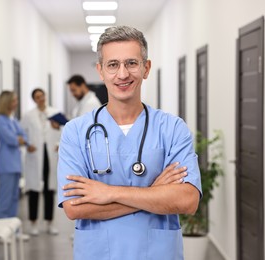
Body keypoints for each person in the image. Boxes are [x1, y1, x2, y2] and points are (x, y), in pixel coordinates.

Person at [57, 26, 202, 260]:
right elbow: (75, 207)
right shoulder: (76, 131)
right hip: (98, 253)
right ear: (100, 71)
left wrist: (108, 192)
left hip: (158, 253)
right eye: (113, 64)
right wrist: (154, 193)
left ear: (146, 68)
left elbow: (187, 200)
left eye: (132, 63)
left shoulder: (172, 128)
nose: (122, 74)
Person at [21, 88, 61, 236]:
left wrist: (58, 142)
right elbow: (21, 132)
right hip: (35, 155)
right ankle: (33, 222)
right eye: (37, 97)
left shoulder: (54, 113)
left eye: (42, 96)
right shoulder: (28, 116)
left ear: (45, 96)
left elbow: (64, 131)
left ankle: (50, 223)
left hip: (50, 154)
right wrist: (26, 143)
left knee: (49, 190)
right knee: (34, 190)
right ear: (34, 99)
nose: (40, 99)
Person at [0, 91, 35, 221]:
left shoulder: (12, 119)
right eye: (14, 101)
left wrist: (21, 139)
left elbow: (24, 135)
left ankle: (11, 229)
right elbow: (11, 139)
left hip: (15, 163)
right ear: (6, 103)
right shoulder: (0, 121)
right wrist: (19, 139)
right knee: (5, 197)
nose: (16, 103)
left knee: (14, 197)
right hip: (6, 164)